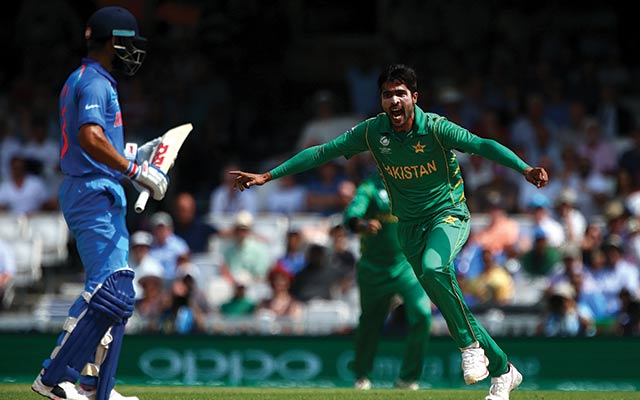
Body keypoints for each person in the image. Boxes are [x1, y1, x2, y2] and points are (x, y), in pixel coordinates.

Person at [230, 64, 549, 400]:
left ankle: (469, 346)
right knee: (451, 302)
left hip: (448, 216)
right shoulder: (373, 132)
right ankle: (502, 370)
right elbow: (322, 153)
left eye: (400, 93)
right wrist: (269, 176)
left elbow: (483, 145)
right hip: (409, 228)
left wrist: (524, 168)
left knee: (433, 267)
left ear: (414, 97)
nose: (394, 100)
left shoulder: (436, 128)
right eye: (387, 94)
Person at [31, 7, 169, 400]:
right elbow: (90, 138)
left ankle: (96, 389)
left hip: (96, 186)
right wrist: (135, 170)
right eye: (128, 43)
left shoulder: (86, 79)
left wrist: (135, 155)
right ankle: (55, 379)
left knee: (116, 290)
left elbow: (94, 142)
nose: (132, 52)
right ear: (114, 41)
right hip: (93, 191)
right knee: (112, 288)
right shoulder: (95, 82)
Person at [343, 172, 432, 390]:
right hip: (374, 268)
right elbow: (352, 215)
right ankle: (362, 375)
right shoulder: (369, 187)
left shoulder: (413, 182)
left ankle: (408, 378)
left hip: (406, 265)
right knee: (370, 323)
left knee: (422, 314)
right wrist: (362, 225)